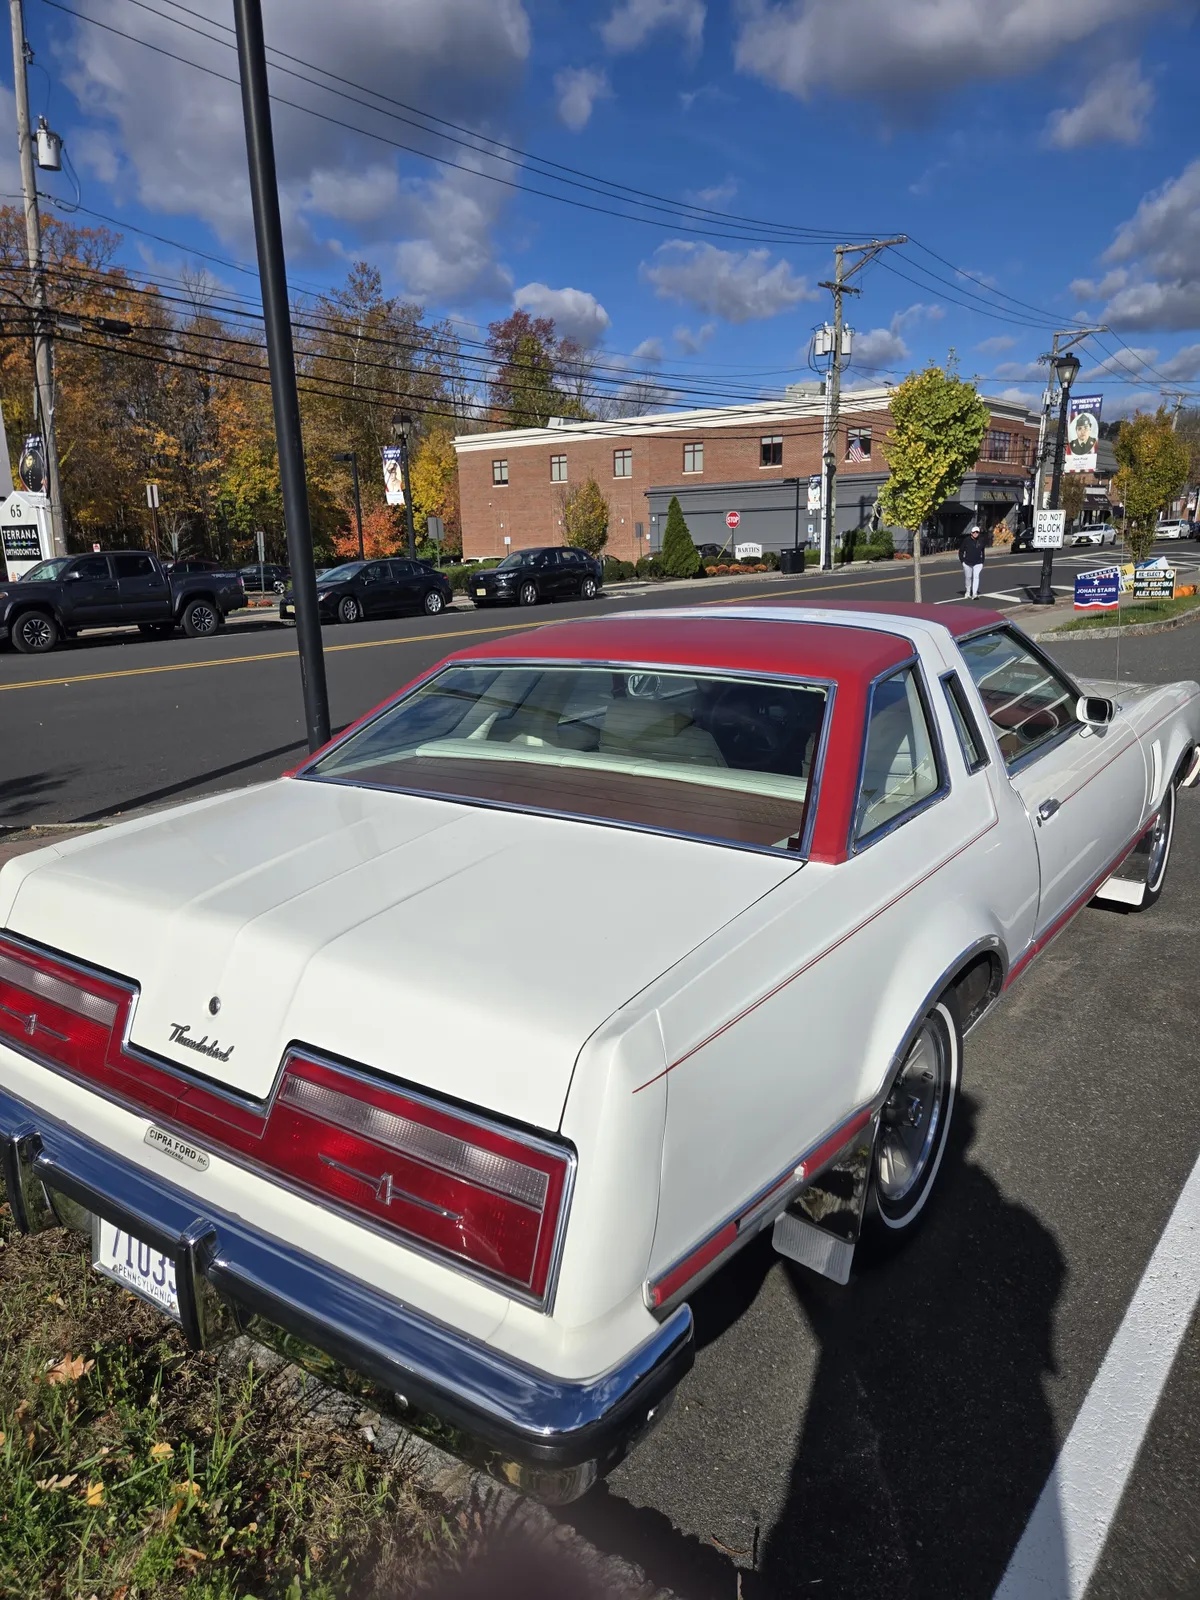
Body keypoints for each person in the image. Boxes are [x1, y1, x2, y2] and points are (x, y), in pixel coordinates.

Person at [960, 524, 985, 597]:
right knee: (968, 577)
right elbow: (961, 551)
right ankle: (968, 591)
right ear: (971, 533)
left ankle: (974, 593)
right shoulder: (966, 540)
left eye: (977, 532)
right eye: (974, 532)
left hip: (978, 563)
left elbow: (982, 551)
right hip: (967, 563)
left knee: (976, 576)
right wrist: (962, 561)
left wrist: (982, 561)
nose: (975, 534)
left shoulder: (981, 540)